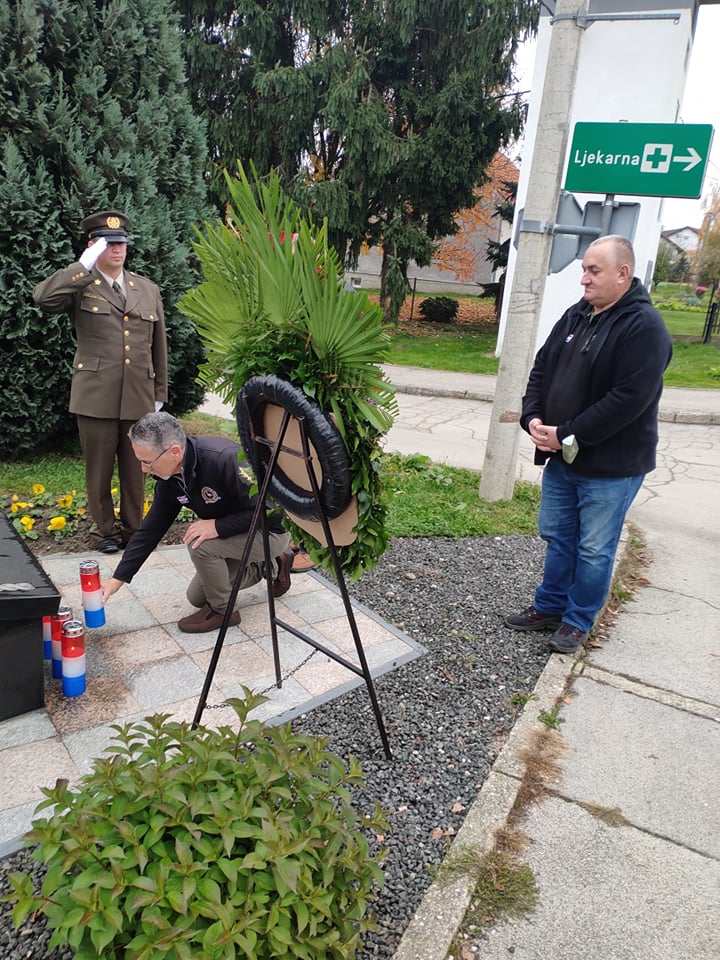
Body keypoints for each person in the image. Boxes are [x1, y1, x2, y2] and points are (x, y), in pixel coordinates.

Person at [505, 235, 672, 654]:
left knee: (594, 548)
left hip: (611, 466)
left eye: (593, 270)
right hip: (563, 457)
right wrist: (534, 418)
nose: (583, 279)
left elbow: (628, 400)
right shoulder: (576, 316)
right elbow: (541, 369)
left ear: (623, 273)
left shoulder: (644, 328)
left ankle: (578, 622)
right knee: (558, 537)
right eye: (583, 269)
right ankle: (549, 607)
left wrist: (567, 434)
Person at [33, 210, 168, 554]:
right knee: (98, 471)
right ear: (93, 246)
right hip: (95, 395)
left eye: (121, 243)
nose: (117, 250)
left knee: (138, 470)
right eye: (109, 244)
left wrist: (159, 393)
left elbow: (158, 345)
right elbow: (43, 298)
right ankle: (106, 531)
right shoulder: (81, 285)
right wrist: (82, 266)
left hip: (139, 394)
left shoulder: (147, 289)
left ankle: (135, 529)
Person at [102, 412, 294, 633]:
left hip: (269, 532)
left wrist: (217, 527)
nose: (143, 469)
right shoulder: (170, 478)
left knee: (201, 545)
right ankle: (271, 565)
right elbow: (151, 530)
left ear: (174, 452)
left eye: (147, 462)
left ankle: (222, 612)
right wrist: (118, 579)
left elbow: (270, 511)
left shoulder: (225, 458)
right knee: (197, 596)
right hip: (236, 533)